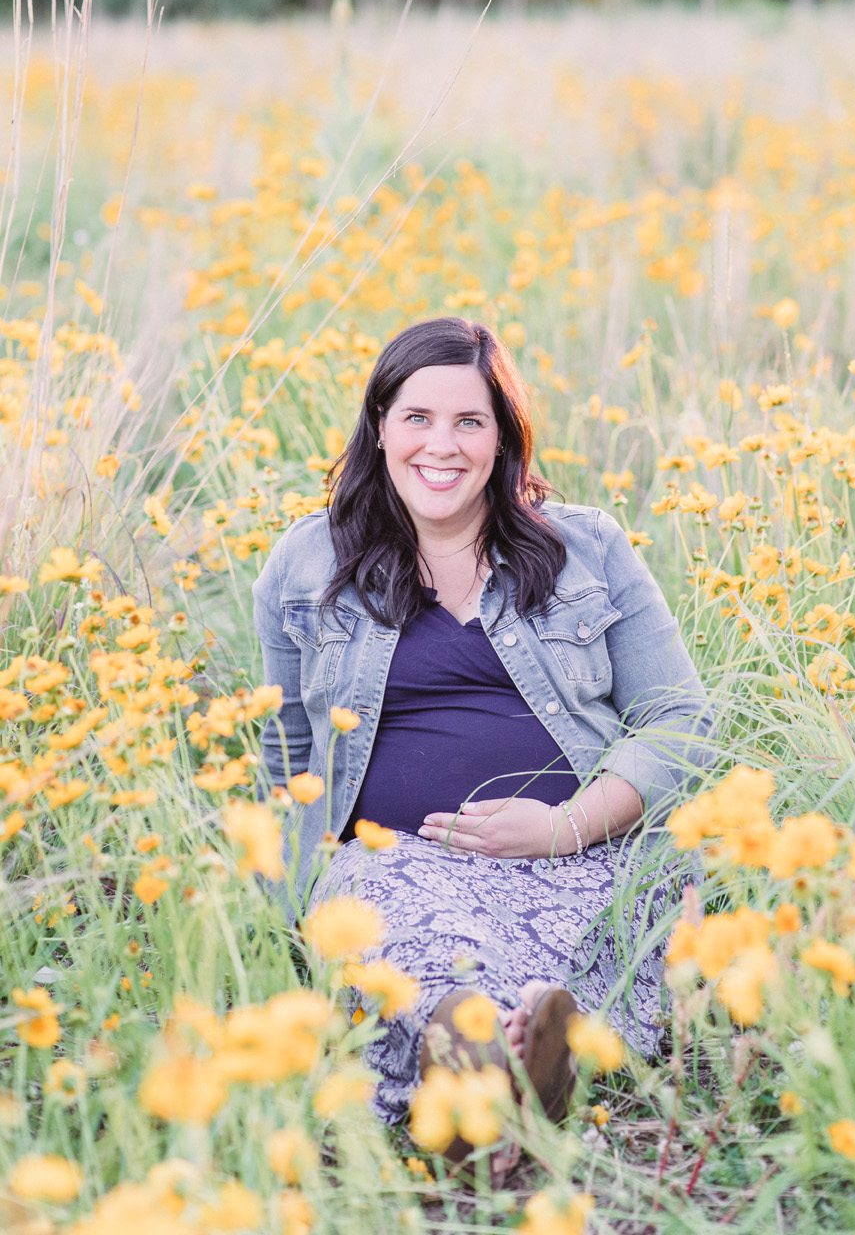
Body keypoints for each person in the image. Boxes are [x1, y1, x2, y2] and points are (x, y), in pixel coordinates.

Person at [251, 316, 715, 1161]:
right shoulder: (305, 563)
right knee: (393, 926)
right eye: (417, 417)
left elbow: (681, 721)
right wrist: (292, 905)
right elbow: (286, 762)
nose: (443, 445)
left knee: (625, 924)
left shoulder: (588, 549)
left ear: (503, 439)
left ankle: (486, 1074)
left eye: (470, 421)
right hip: (395, 866)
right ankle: (497, 1060)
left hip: (585, 859)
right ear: (380, 426)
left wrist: (564, 827)